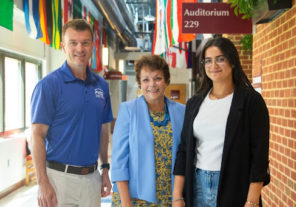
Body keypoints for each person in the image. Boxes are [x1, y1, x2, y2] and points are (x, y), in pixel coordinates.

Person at [172, 37, 270, 207]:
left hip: (235, 186)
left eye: (220, 59)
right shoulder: (194, 103)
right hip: (197, 185)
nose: (213, 66)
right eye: (208, 61)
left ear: (232, 62)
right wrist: (177, 195)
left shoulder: (251, 101)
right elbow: (184, 150)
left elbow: (260, 155)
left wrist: (252, 200)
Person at [31, 19, 113, 207]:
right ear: (63, 46)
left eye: (85, 42)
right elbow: (37, 135)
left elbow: (102, 131)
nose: (80, 48)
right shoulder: (48, 86)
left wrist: (105, 170)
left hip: (92, 179)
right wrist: (42, 182)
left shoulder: (101, 86)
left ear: (92, 45)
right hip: (59, 179)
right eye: (73, 43)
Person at [111, 55, 185, 206]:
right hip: (133, 197)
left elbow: (184, 156)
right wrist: (126, 203)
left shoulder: (181, 112)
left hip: (170, 197)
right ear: (140, 83)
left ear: (166, 81)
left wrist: (179, 196)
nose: (152, 84)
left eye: (157, 78)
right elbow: (119, 162)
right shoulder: (128, 110)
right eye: (145, 79)